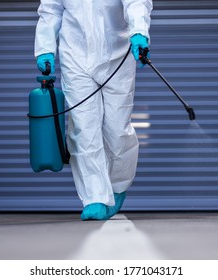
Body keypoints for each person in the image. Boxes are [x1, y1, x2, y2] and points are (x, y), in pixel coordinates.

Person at [34, 0, 152, 220]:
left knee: (117, 130)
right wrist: (45, 48)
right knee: (84, 129)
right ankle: (95, 197)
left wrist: (138, 30)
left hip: (118, 54)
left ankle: (117, 187)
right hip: (76, 56)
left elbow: (136, 2)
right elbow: (51, 10)